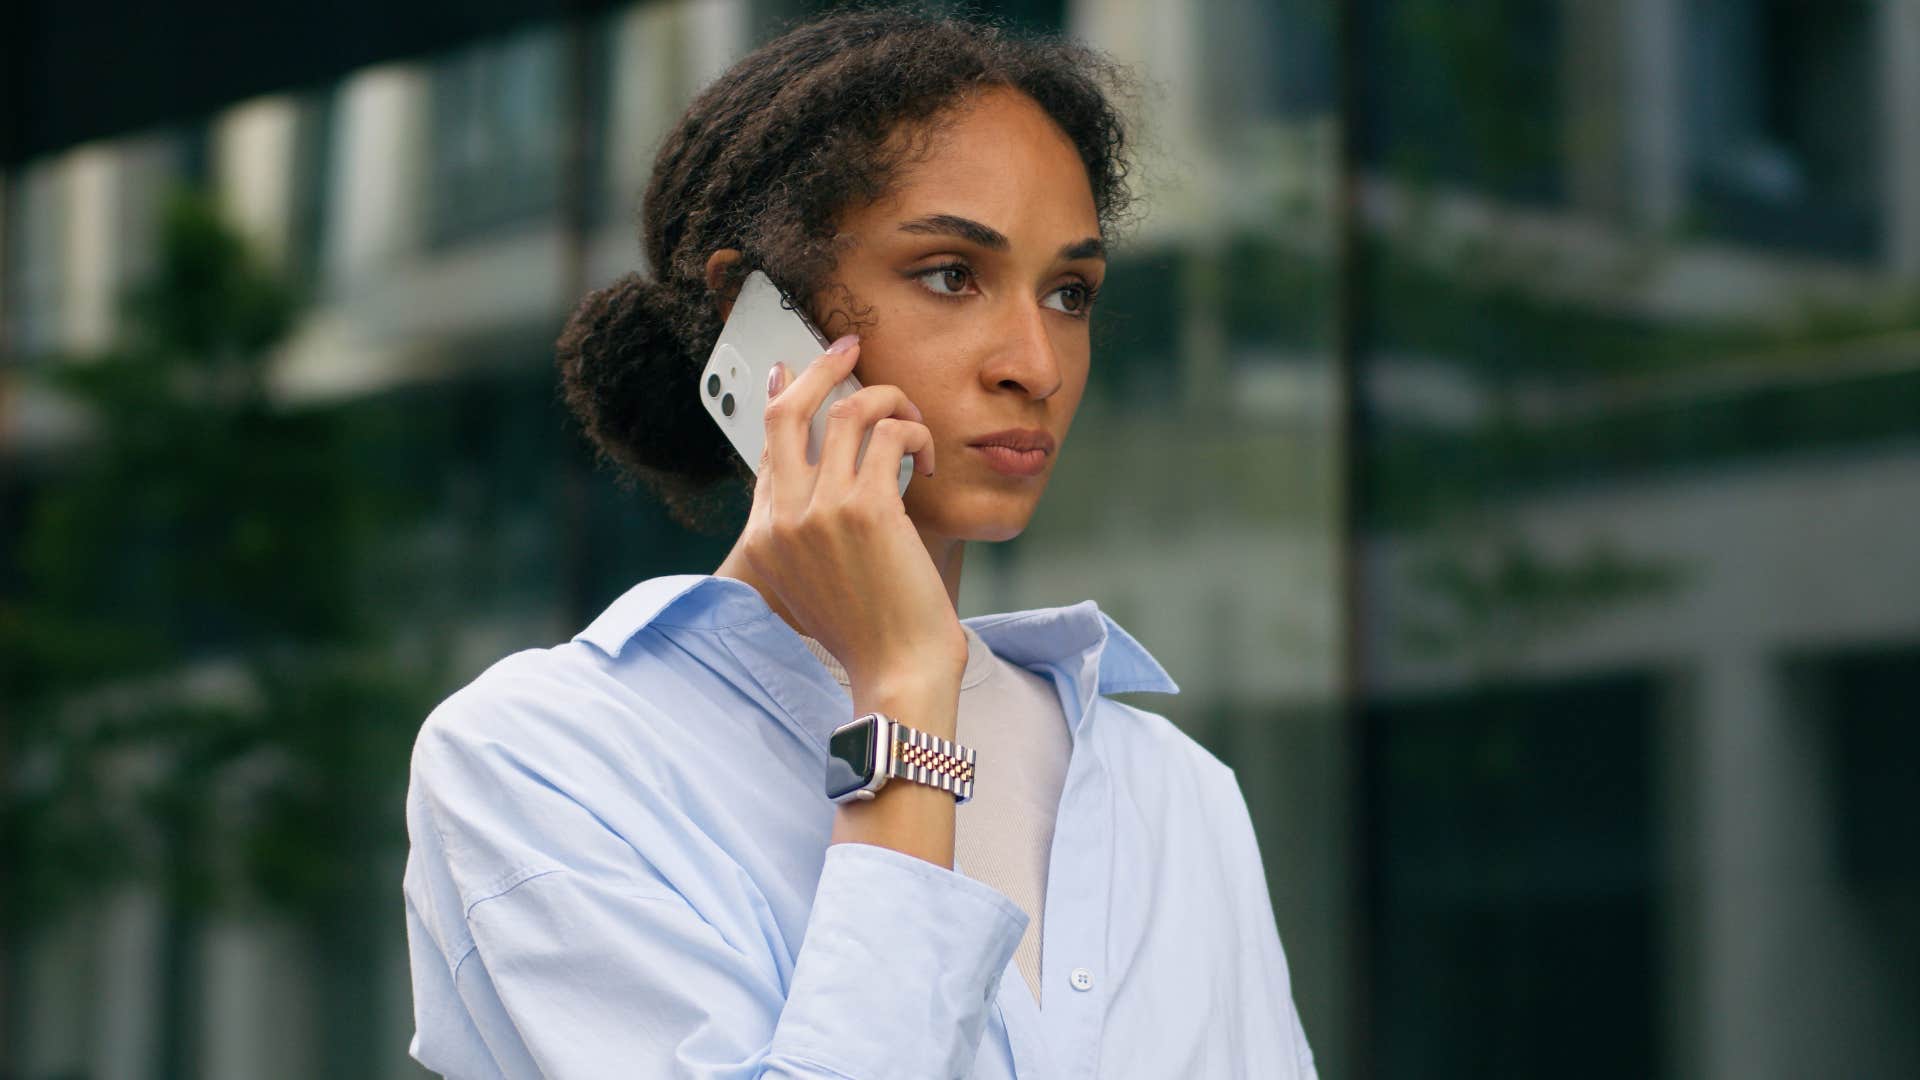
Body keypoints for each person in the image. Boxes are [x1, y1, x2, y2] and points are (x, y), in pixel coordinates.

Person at [403, 8, 1317, 1078]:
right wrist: (902, 694)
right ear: (757, 316)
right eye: (949, 274)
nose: (1037, 362)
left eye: (1070, 293)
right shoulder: (546, 758)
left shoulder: (1171, 787)